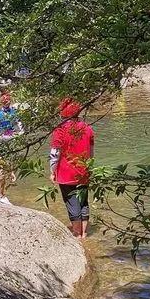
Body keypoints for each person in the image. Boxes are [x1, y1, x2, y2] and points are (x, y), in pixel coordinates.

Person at [50, 98, 94, 240]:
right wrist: (89, 168)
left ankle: (76, 233)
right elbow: (91, 152)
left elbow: (55, 153)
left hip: (66, 173)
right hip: (84, 170)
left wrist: (52, 171)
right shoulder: (87, 128)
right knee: (83, 201)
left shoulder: (61, 130)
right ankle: (85, 234)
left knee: (71, 201)